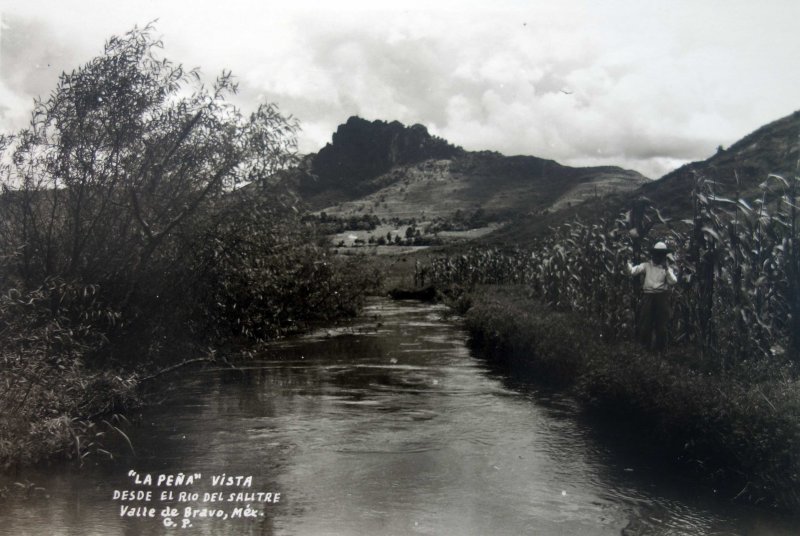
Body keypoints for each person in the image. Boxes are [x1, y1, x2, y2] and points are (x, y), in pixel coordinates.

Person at [627, 241, 678, 351]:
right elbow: (632, 271)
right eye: (656, 254)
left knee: (661, 324)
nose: (658, 256)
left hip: (662, 297)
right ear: (653, 254)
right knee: (645, 323)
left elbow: (673, 281)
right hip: (648, 297)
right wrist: (625, 261)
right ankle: (645, 349)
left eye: (661, 254)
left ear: (664, 256)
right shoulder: (646, 265)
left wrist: (666, 269)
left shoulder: (667, 269)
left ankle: (660, 350)